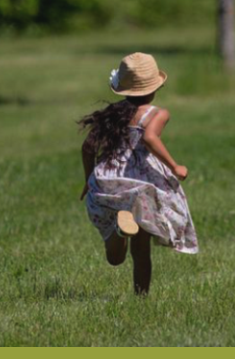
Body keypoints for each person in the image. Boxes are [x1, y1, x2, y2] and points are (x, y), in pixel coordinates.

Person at [78, 52, 199, 296]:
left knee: (115, 258)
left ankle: (120, 230)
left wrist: (89, 179)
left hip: (109, 179)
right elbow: (149, 137)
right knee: (141, 249)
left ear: (122, 89)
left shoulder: (113, 113)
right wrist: (175, 166)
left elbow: (88, 147)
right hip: (140, 183)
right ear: (156, 87)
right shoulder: (157, 114)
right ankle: (141, 298)